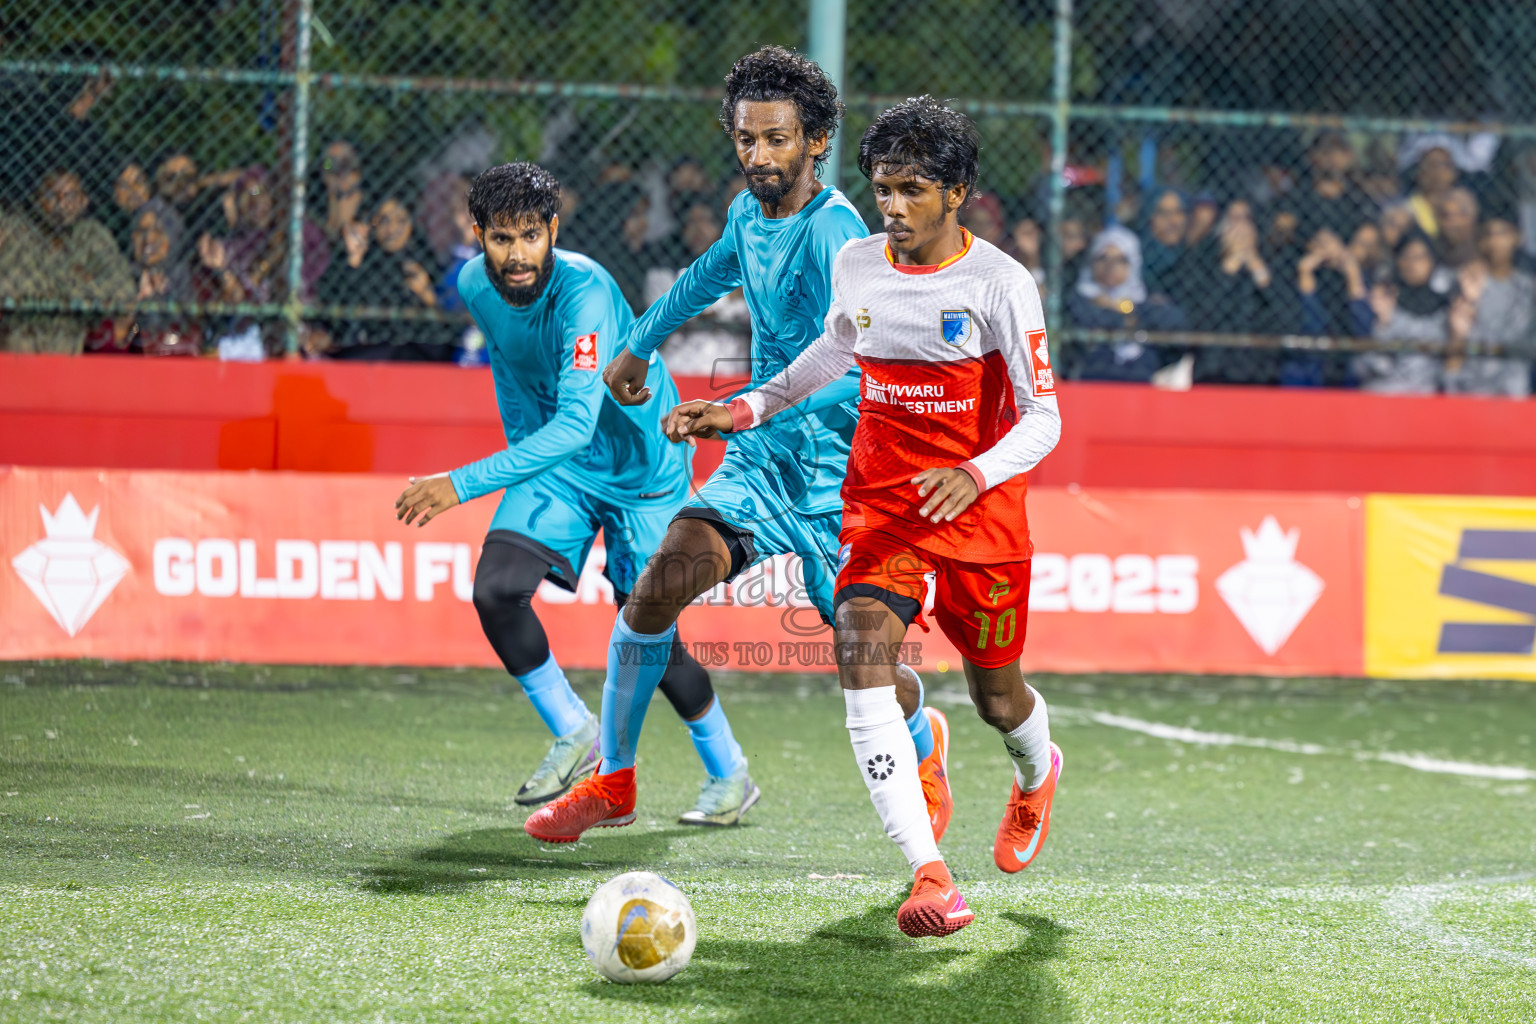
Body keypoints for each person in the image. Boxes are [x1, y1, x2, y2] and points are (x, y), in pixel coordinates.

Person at [523, 45, 946, 845]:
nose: (758, 155)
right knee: (653, 592)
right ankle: (613, 779)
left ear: (816, 141)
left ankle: (925, 742)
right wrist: (639, 346)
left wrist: (737, 410)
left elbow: (849, 365)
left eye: (777, 139)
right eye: (746, 138)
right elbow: (704, 275)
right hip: (757, 467)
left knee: (872, 678)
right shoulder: (748, 213)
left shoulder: (838, 234)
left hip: (836, 479)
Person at [665, 97, 1063, 939]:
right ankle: (929, 875)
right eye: (883, 189)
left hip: (980, 508)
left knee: (998, 697)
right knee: (858, 642)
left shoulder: (999, 282)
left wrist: (975, 471)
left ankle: (1036, 775)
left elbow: (1043, 418)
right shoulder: (857, 262)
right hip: (883, 500)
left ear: (956, 191)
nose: (893, 207)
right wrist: (741, 409)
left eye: (913, 190)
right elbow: (832, 350)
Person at [392, 162, 746, 819]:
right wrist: (522, 453)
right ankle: (571, 727)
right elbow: (510, 367)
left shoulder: (584, 291)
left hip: (645, 471)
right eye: (501, 239)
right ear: (477, 237)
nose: (518, 255)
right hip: (561, 463)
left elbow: (579, 424)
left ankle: (728, 768)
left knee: (646, 633)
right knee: (496, 591)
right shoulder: (475, 285)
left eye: (531, 236)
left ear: (553, 230)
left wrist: (460, 484)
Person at [0, 168, 133, 354]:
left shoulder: (92, 235)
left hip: (69, 350)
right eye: (51, 196)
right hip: (17, 350)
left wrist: (46, 290)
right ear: (37, 201)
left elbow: (122, 289)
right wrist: (78, 282)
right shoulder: (17, 232)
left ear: (83, 201)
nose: (60, 204)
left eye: (69, 196)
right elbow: (6, 287)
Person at [1066, 225, 1186, 381]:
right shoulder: (1078, 297)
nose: (1110, 266)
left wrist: (1124, 307)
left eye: (1120, 259)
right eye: (1103, 258)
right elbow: (1086, 320)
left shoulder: (1144, 297)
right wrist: (1127, 319)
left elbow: (1176, 321)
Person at [1444, 217, 1533, 398]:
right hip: (1472, 383)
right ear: (1481, 242)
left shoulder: (1528, 288)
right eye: (1489, 235)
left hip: (1514, 385)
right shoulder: (1466, 282)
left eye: (1502, 233)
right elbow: (1457, 334)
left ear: (1516, 238)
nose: (1495, 241)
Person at [1356, 233, 1449, 394]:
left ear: (1433, 262)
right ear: (1397, 261)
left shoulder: (1445, 307)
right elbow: (1361, 365)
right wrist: (1383, 324)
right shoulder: (1382, 300)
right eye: (1406, 256)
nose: (1412, 264)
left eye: (1420, 257)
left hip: (1426, 397)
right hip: (1383, 394)